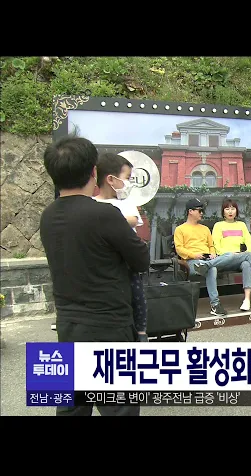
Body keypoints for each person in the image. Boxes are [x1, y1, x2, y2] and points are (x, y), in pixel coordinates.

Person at [40, 135, 150, 416]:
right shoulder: (105, 214)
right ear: (93, 171)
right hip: (109, 326)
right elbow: (141, 259)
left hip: (67, 325)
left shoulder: (48, 216)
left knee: (70, 407)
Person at [94, 152, 148, 342]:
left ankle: (141, 332)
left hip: (127, 259)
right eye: (127, 177)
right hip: (104, 263)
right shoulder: (93, 203)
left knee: (137, 294)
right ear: (110, 179)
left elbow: (133, 220)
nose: (129, 183)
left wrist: (108, 222)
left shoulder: (126, 203)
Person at [173, 198, 227, 317]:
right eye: (199, 210)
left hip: (207, 260)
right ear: (190, 211)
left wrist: (212, 253)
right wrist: (194, 255)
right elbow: (179, 249)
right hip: (191, 263)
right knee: (212, 268)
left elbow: (211, 246)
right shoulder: (180, 229)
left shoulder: (205, 229)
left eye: (202, 211)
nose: (202, 213)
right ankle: (215, 304)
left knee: (215, 265)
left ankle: (215, 305)